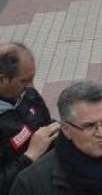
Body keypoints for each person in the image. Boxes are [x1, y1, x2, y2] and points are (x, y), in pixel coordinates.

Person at [0, 43, 58, 195]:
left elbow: (45, 125)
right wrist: (31, 155)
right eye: (24, 80)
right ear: (2, 80)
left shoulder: (27, 94)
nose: (31, 85)